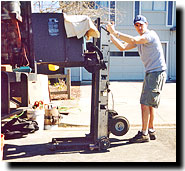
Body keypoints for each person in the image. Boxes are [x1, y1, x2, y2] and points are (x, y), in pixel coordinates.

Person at [106, 15, 167, 143]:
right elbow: (122, 47)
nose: (139, 27)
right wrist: (111, 36)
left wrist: (115, 32)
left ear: (146, 24)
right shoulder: (139, 40)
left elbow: (134, 39)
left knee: (144, 104)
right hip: (151, 72)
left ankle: (144, 134)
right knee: (149, 105)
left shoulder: (150, 35)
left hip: (156, 72)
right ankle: (151, 130)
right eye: (137, 25)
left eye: (141, 24)